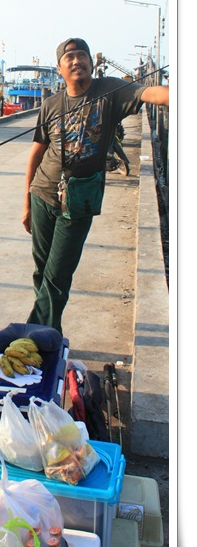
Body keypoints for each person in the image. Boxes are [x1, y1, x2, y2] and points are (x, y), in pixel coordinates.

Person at [22, 37, 169, 334]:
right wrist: (26, 203)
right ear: (60, 68)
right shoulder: (51, 105)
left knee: (57, 274)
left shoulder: (111, 92)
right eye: (70, 57)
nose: (77, 61)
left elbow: (150, 93)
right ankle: (52, 332)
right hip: (42, 194)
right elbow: (36, 154)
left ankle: (33, 335)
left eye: (82, 56)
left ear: (92, 62)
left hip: (79, 199)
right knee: (42, 272)